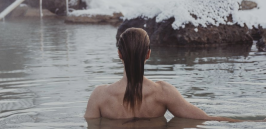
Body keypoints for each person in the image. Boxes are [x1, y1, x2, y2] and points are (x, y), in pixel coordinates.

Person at [84, 28, 238, 122]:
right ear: (148, 54)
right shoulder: (163, 92)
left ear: (119, 54)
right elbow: (207, 120)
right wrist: (256, 122)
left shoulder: (100, 96)